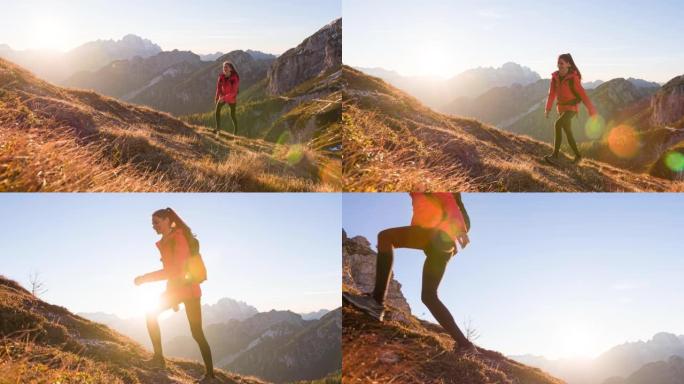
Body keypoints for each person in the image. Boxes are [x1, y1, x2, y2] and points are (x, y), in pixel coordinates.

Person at [346, 193, 478, 355]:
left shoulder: (427, 181)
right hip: (443, 245)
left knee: (386, 237)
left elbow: (447, 199)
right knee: (429, 296)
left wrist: (459, 229)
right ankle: (465, 345)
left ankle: (376, 302)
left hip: (436, 234)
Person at [134, 208, 215, 382]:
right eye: (152, 223)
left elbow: (174, 270)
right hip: (176, 290)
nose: (154, 226)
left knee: (197, 333)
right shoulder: (164, 241)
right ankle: (158, 359)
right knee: (151, 314)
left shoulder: (178, 238)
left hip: (190, 290)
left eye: (156, 222)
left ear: (167, 220)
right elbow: (171, 271)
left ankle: (210, 375)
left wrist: (145, 278)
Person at [544, 53, 597, 165]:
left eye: (562, 63)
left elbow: (583, 95)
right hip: (561, 109)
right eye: (558, 63)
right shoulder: (555, 78)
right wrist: (548, 108)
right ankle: (578, 156)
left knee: (557, 124)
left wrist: (591, 111)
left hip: (572, 108)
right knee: (568, 133)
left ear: (568, 64)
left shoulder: (573, 78)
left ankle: (555, 156)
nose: (559, 65)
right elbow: (551, 94)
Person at [214, 61, 240, 136]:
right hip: (223, 97)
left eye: (226, 67)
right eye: (223, 67)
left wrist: (224, 98)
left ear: (231, 69)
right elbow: (218, 87)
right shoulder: (221, 76)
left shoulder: (234, 78)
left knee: (232, 115)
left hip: (231, 98)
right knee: (217, 111)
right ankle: (218, 128)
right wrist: (217, 97)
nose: (224, 68)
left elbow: (234, 92)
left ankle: (235, 132)